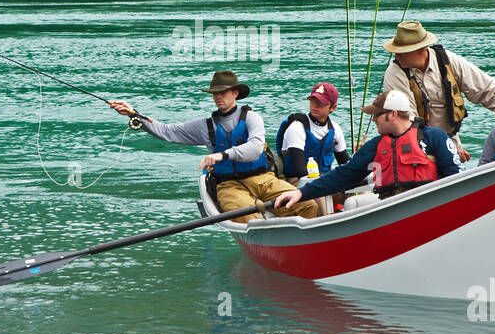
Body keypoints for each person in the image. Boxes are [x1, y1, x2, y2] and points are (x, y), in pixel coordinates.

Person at [107, 70, 318, 223]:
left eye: (223, 92)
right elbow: (168, 131)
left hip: (263, 179)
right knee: (249, 218)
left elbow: (254, 148)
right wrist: (135, 114)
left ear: (235, 94)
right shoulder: (204, 126)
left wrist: (221, 156)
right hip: (229, 186)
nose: (218, 96)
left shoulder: (253, 118)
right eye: (215, 93)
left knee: (308, 205)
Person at [275, 89, 461, 211]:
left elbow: (457, 178)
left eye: (377, 115)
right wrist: (301, 192)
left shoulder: (434, 138)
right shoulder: (375, 146)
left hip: (430, 208)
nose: (374, 120)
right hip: (392, 210)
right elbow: (343, 175)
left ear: (393, 114)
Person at [380, 20, 495, 163]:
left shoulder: (448, 61)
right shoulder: (395, 72)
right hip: (416, 148)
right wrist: (447, 149)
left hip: (450, 142)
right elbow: (407, 122)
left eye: (402, 52)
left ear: (422, 49)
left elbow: (488, 90)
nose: (396, 56)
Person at [276, 81, 351, 182]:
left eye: (321, 102)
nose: (315, 105)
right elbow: (301, 171)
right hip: (297, 180)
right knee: (322, 196)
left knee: (361, 189)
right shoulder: (297, 127)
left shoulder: (335, 129)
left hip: (324, 179)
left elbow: (344, 162)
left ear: (333, 107)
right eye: (312, 100)